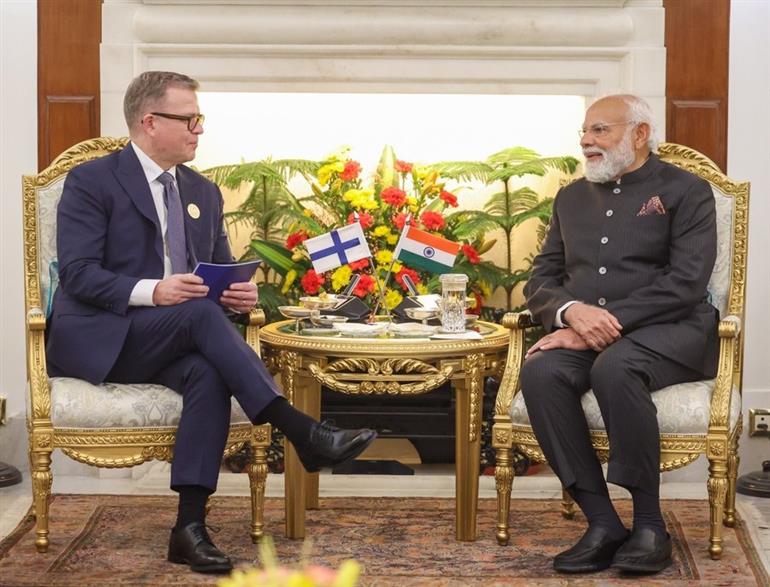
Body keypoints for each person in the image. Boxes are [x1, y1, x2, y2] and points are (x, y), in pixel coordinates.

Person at [46, 71, 376, 574]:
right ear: (149, 122)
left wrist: (239, 294)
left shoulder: (202, 190)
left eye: (199, 119)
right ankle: (301, 431)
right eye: (189, 119)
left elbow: (216, 272)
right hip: (105, 336)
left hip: (176, 335)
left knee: (208, 371)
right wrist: (154, 290)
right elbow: (78, 274)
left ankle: (189, 528)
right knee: (199, 317)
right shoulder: (93, 181)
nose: (199, 129)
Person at [521, 94, 718, 574]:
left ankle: (650, 526)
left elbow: (687, 282)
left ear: (640, 134)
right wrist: (570, 313)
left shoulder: (687, 190)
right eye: (584, 132)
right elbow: (541, 277)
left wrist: (601, 324)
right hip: (585, 332)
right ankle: (603, 522)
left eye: (600, 130)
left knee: (616, 366)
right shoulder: (570, 197)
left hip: (670, 331)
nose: (586, 141)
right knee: (542, 372)